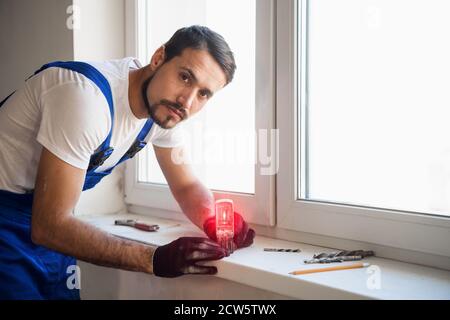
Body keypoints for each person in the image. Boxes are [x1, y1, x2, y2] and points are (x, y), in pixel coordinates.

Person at [0, 25, 255, 300]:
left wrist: (213, 221)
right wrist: (155, 259)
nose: (188, 100)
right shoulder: (86, 98)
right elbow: (49, 225)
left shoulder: (164, 111)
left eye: (204, 93)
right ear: (158, 58)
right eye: (184, 77)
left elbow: (186, 186)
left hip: (48, 224)